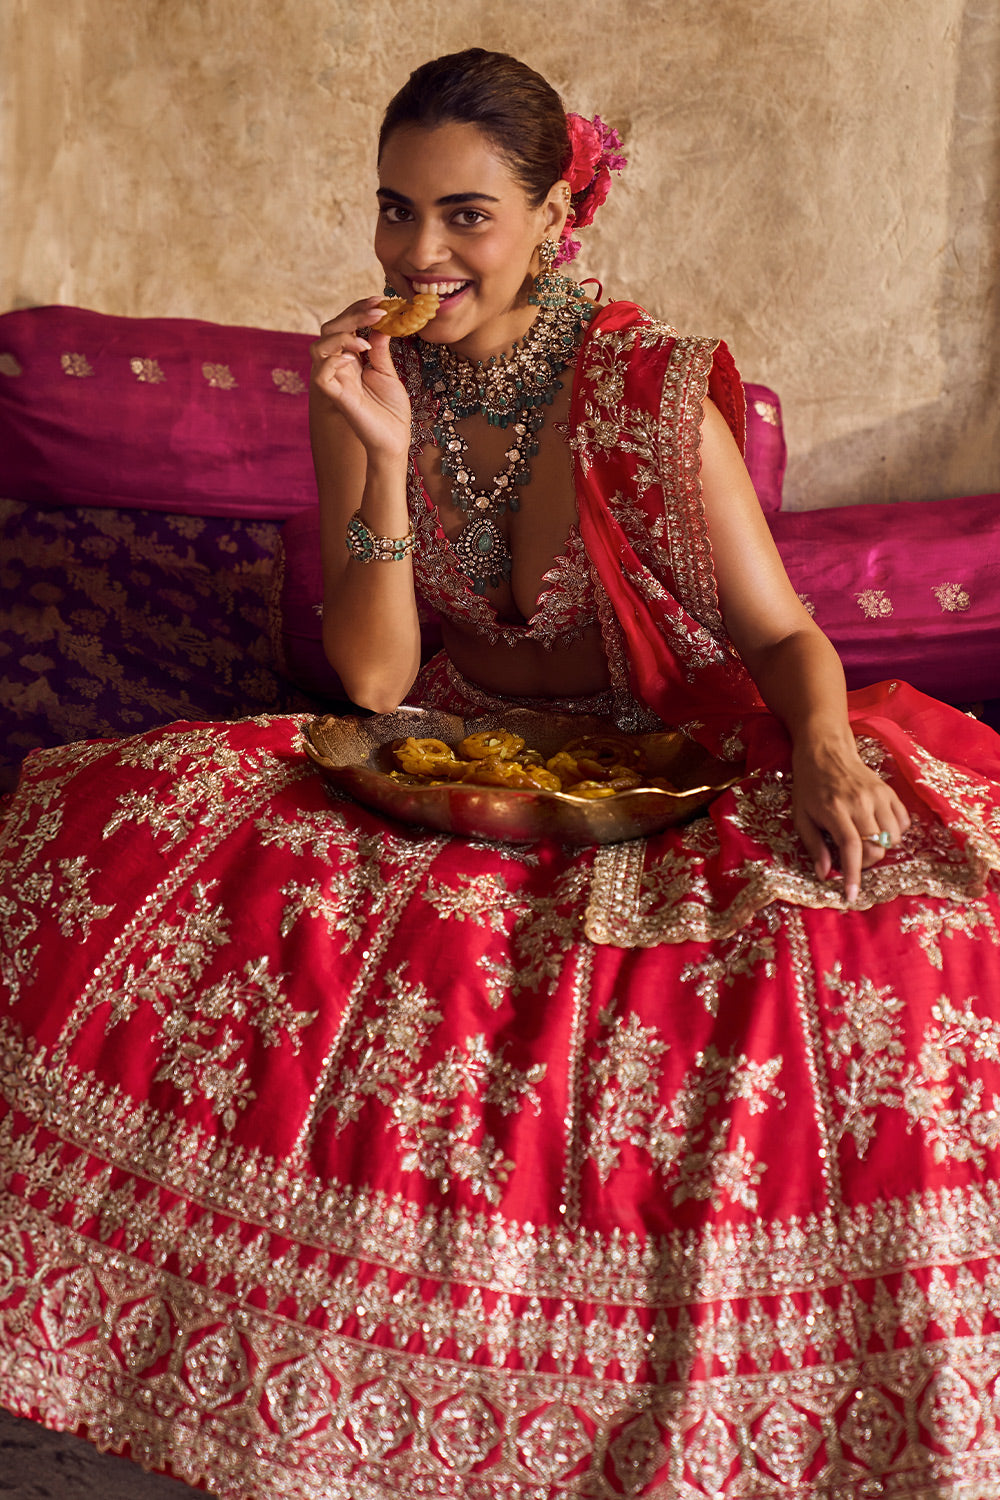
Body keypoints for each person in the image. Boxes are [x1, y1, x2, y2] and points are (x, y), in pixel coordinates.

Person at [2, 45, 1000, 1500]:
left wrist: (835, 756)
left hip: (671, 774)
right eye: (395, 210)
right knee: (95, 835)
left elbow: (784, 636)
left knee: (909, 958)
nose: (421, 250)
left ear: (554, 214)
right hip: (450, 765)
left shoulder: (650, 394)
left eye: (465, 214)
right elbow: (374, 682)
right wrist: (378, 459)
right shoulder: (364, 377)